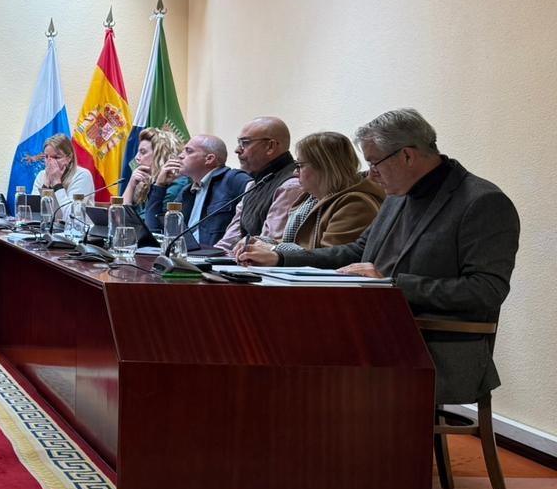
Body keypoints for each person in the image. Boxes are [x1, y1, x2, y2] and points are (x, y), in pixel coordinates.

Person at [268, 109, 519, 407]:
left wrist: (392, 284)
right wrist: (280, 259)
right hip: (380, 330)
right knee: (284, 339)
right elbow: (357, 252)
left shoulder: (482, 202)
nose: (370, 174)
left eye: (374, 162)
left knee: (308, 361)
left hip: (435, 344)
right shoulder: (397, 195)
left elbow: (486, 291)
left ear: (407, 156)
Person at [233, 132, 382, 264]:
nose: (295, 173)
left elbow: (329, 258)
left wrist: (272, 250)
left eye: (300, 165)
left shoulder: (355, 203)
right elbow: (295, 243)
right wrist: (260, 242)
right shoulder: (310, 198)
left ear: (324, 167)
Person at [142, 134, 251, 248]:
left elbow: (256, 211)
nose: (180, 156)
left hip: (216, 255)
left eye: (188, 151)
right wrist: (159, 186)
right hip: (186, 254)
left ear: (209, 159)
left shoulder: (234, 179)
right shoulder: (186, 192)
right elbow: (155, 232)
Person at [217, 117, 302, 249]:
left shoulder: (291, 185)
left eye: (245, 143)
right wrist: (209, 256)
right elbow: (230, 239)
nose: (237, 150)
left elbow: (268, 244)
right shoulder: (253, 184)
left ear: (270, 147)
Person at [121, 126, 181, 212]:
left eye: (143, 152)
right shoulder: (145, 183)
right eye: (138, 152)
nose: (136, 157)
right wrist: (131, 185)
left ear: (160, 155)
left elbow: (150, 220)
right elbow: (120, 215)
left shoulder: (175, 187)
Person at [30, 133, 94, 211]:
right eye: (46, 157)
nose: (50, 162)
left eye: (56, 157)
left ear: (69, 158)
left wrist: (56, 182)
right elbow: (35, 211)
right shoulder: (41, 175)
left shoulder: (82, 175)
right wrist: (46, 184)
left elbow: (71, 214)